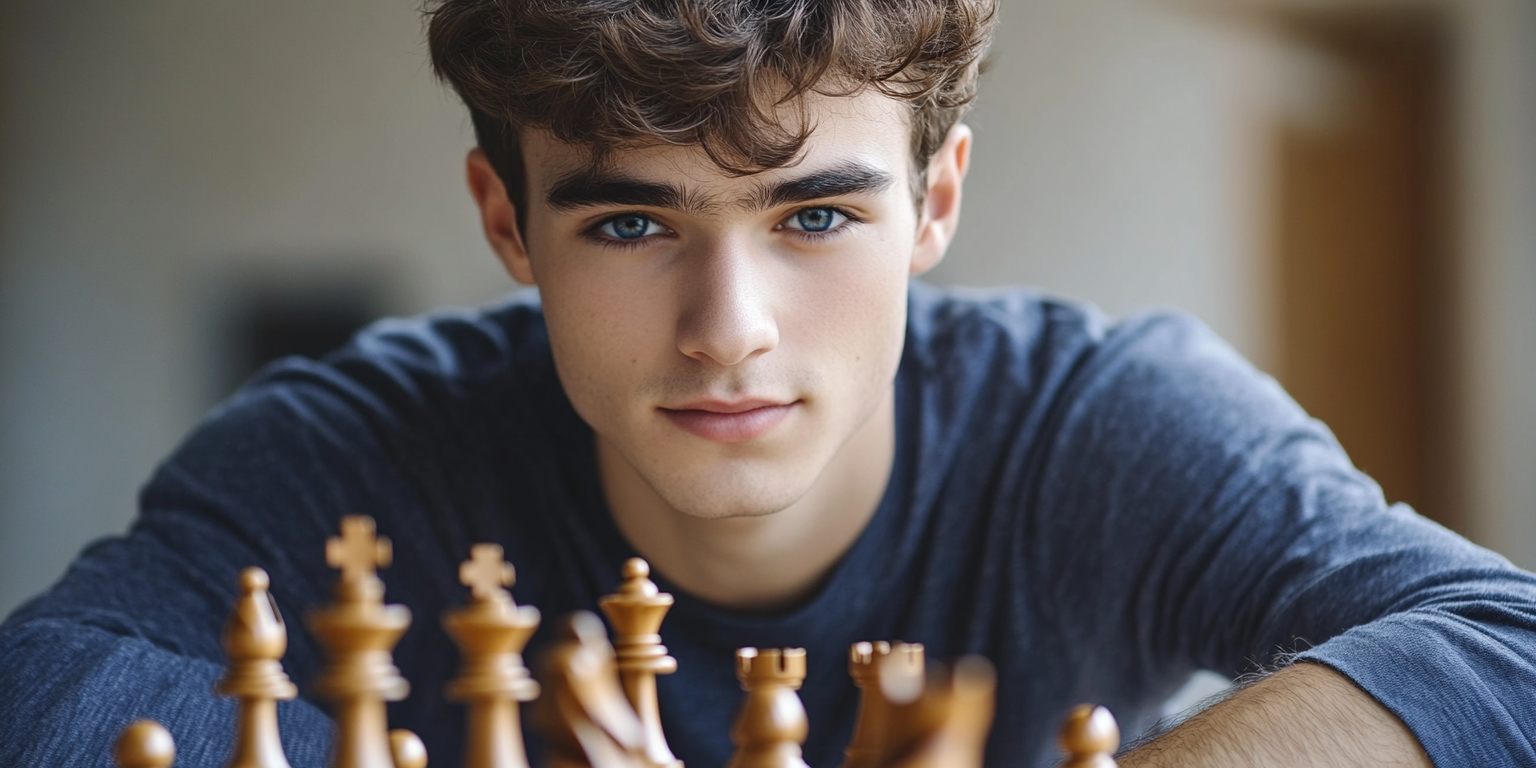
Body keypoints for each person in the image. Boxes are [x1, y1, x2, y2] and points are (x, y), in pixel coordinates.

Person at [2, 1, 1534, 766]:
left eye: (815, 214)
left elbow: (1502, 646)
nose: (726, 329)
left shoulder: (1102, 420)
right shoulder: (360, 443)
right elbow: (45, 687)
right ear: (503, 221)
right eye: (628, 221)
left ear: (934, 206)